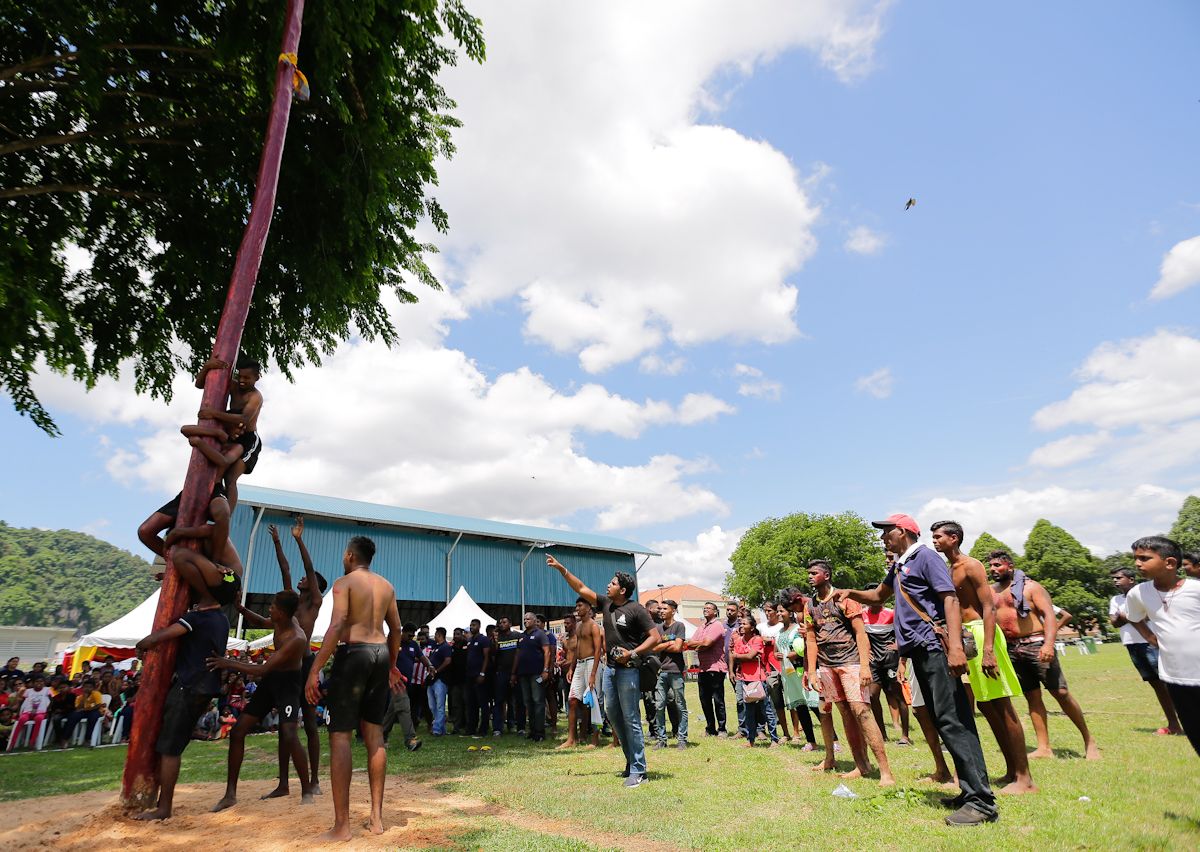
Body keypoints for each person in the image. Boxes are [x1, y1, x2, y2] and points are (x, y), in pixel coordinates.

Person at [841, 513, 996, 826]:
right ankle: (969, 792)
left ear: (903, 531)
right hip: (918, 653)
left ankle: (981, 802)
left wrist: (954, 647)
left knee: (954, 721)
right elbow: (877, 596)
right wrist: (848, 592)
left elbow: (949, 600)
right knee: (943, 720)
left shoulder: (924, 557)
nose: (883, 538)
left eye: (887, 532)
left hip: (934, 648)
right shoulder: (899, 565)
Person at [303, 535, 404, 842]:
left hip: (355, 653)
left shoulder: (343, 582)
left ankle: (342, 826)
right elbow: (396, 629)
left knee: (340, 736)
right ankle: (376, 819)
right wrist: (391, 665)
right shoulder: (386, 586)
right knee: (375, 735)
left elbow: (338, 623)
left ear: (349, 555)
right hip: (380, 653)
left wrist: (315, 669)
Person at [931, 521, 1035, 794]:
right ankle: (1011, 770)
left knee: (1002, 706)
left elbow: (989, 608)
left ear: (954, 538)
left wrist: (989, 650)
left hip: (981, 634)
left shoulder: (971, 565)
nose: (935, 540)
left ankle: (1025, 778)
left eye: (939, 536)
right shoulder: (947, 568)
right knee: (987, 708)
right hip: (965, 638)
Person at [548, 555, 658, 788]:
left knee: (631, 718)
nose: (608, 585)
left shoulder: (636, 609)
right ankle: (631, 762)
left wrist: (633, 653)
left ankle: (639, 770)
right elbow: (580, 587)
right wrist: (562, 569)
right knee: (615, 716)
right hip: (610, 670)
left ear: (623, 589)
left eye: (613, 583)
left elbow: (655, 638)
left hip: (629, 670)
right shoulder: (606, 605)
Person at [239, 516, 327, 798]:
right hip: (287, 668)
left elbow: (308, 569)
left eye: (307, 580)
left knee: (311, 724)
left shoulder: (314, 602)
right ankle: (284, 784)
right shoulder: (290, 602)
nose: (301, 579)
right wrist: (278, 542)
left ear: (315, 586)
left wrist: (299, 539)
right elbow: (285, 567)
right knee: (285, 728)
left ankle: (313, 781)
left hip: (305, 665)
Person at [208, 590, 314, 810]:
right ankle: (230, 794)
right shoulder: (279, 621)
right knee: (237, 732)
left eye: (273, 606)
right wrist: (240, 609)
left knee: (289, 735)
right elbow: (260, 620)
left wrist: (227, 663)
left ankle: (307, 790)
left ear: (283, 613)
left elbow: (263, 669)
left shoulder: (297, 638)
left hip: (287, 684)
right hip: (271, 681)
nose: (269, 609)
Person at [989, 550, 1100, 760]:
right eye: (991, 566)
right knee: (1032, 696)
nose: (993, 569)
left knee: (1060, 693)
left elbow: (1049, 615)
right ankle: (1044, 747)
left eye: (998, 565)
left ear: (1010, 566)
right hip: (1012, 648)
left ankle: (1089, 741)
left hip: (1036, 645)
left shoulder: (1032, 587)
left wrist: (1049, 644)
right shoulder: (991, 592)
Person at [132, 595, 229, 820]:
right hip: (204, 688)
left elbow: (163, 635)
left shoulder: (197, 618)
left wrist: (142, 643)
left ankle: (164, 807)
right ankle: (162, 802)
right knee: (173, 743)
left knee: (169, 748)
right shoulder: (222, 619)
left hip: (189, 686)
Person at [806, 560, 893, 785]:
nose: (809, 576)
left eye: (814, 573)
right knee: (844, 712)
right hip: (826, 665)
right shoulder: (810, 605)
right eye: (809, 573)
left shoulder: (846, 599)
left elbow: (861, 633)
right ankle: (861, 764)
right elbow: (811, 639)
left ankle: (885, 772)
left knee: (861, 711)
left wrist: (865, 666)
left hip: (850, 662)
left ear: (826, 575)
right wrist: (813, 671)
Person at [1125, 536, 1200, 756]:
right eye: (1136, 559)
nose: (1137, 564)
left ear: (1169, 563)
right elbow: (1134, 617)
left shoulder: (1195, 589)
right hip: (1175, 677)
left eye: (1145, 558)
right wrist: (1149, 637)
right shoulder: (1138, 593)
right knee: (1195, 732)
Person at [1109, 567, 1182, 736]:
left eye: (1119, 577)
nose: (1115, 581)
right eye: (1113, 578)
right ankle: (1174, 725)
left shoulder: (1145, 594)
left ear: (1131, 579)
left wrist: (1126, 615)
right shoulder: (1116, 599)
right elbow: (1114, 622)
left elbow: (1152, 615)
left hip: (1152, 643)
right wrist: (1132, 615)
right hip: (1132, 645)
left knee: (1172, 683)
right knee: (1157, 685)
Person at [195, 355, 263, 511]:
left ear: (257, 378)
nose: (242, 380)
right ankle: (212, 505)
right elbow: (200, 385)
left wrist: (214, 413)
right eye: (240, 376)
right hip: (231, 437)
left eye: (247, 377)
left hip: (248, 441)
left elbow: (245, 418)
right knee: (216, 472)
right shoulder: (233, 386)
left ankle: (227, 516)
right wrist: (207, 367)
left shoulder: (255, 397)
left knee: (230, 478)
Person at [860, 597, 910, 746]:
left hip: (890, 661)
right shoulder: (862, 614)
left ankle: (905, 736)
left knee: (898, 695)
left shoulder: (891, 613)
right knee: (873, 696)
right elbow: (857, 634)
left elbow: (904, 631)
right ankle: (882, 734)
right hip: (873, 663)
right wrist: (863, 651)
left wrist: (899, 646)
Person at [778, 590, 818, 750]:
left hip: (805, 668)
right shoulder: (782, 630)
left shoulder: (808, 613)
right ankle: (811, 742)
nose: (780, 613)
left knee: (815, 705)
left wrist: (807, 637)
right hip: (789, 673)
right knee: (800, 707)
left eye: (784, 610)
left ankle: (834, 741)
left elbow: (807, 646)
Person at [563, 598, 603, 748]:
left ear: (588, 607)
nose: (577, 609)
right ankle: (571, 739)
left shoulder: (594, 626)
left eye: (580, 606)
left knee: (593, 702)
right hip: (579, 664)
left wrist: (593, 673)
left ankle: (595, 738)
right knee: (572, 700)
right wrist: (572, 668)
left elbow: (598, 650)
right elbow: (577, 649)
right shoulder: (579, 626)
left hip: (592, 662)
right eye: (576, 606)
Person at [731, 614, 774, 747]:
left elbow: (749, 656)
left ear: (752, 627)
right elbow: (739, 657)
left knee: (766, 709)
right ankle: (750, 741)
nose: (741, 626)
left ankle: (774, 739)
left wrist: (739, 656)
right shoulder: (738, 641)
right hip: (745, 679)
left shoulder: (757, 639)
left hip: (759, 679)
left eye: (745, 624)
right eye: (741, 624)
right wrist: (744, 657)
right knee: (748, 711)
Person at [687, 601, 729, 738]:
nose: (705, 610)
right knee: (704, 700)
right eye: (704, 608)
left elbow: (708, 643)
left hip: (716, 668)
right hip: (703, 668)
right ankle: (710, 728)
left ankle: (722, 728)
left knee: (718, 700)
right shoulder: (702, 627)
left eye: (709, 608)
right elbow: (690, 644)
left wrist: (701, 644)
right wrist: (702, 645)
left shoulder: (717, 625)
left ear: (715, 611)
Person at [652, 599, 689, 750]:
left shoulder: (679, 626)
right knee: (659, 705)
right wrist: (669, 643)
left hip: (676, 671)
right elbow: (654, 648)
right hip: (661, 672)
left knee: (680, 705)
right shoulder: (658, 628)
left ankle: (682, 739)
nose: (661, 611)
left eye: (664, 608)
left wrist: (663, 645)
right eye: (659, 609)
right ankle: (662, 739)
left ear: (673, 611)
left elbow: (678, 647)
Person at [514, 612, 551, 742]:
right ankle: (533, 730)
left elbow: (547, 652)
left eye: (528, 619)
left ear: (535, 621)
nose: (525, 621)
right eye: (524, 619)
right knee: (528, 703)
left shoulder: (540, 634)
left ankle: (540, 732)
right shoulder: (522, 636)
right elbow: (517, 655)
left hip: (537, 674)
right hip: (523, 674)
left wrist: (546, 670)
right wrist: (514, 672)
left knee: (538, 702)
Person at [759, 602, 790, 742]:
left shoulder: (782, 626)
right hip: (769, 667)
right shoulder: (760, 627)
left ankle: (796, 731)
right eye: (765, 610)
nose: (767, 613)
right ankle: (785, 733)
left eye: (770, 610)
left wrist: (769, 641)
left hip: (785, 665)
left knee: (792, 700)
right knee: (776, 702)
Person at [492, 617, 522, 736]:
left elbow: (520, 654)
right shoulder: (498, 637)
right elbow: (493, 655)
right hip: (501, 673)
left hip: (516, 673)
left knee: (516, 701)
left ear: (510, 623)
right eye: (500, 623)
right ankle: (497, 728)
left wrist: (514, 673)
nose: (502, 624)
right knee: (499, 701)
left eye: (504, 622)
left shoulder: (517, 636)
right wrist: (495, 642)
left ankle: (518, 727)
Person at [464, 618, 491, 736]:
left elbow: (486, 657)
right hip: (469, 675)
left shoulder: (483, 639)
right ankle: (471, 728)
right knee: (471, 703)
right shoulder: (469, 640)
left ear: (479, 626)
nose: (471, 627)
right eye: (470, 625)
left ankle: (483, 729)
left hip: (479, 675)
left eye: (474, 625)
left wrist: (482, 673)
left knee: (483, 703)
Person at [8, 674, 50, 751]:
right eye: (37, 681)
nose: (39, 683)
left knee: (39, 719)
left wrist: (48, 709)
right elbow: (20, 699)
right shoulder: (28, 691)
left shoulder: (47, 690)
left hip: (40, 712)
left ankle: (32, 742)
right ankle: (12, 743)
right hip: (27, 711)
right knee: (22, 719)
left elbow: (54, 698)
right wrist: (20, 692)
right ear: (33, 683)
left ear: (44, 683)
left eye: (41, 681)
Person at [425, 627, 453, 736]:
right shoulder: (436, 647)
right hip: (431, 680)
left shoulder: (446, 647)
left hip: (440, 680)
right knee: (432, 705)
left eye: (436, 634)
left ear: (440, 635)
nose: (434, 636)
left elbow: (448, 661)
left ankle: (436, 729)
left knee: (440, 705)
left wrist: (436, 671)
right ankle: (442, 729)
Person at [62, 676, 105, 745]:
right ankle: (65, 739)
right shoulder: (80, 697)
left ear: (93, 688)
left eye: (89, 687)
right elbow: (78, 708)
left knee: (93, 717)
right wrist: (84, 698)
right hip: (84, 711)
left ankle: (88, 739)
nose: (87, 688)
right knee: (73, 716)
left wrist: (84, 709)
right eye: (85, 687)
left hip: (96, 711)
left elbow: (98, 705)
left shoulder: (96, 694)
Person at [447, 627, 469, 734]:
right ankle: (457, 726)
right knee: (456, 704)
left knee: (466, 703)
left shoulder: (467, 645)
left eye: (458, 634)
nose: (456, 636)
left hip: (465, 680)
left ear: (462, 635)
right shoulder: (451, 647)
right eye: (454, 634)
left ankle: (467, 726)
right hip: (454, 681)